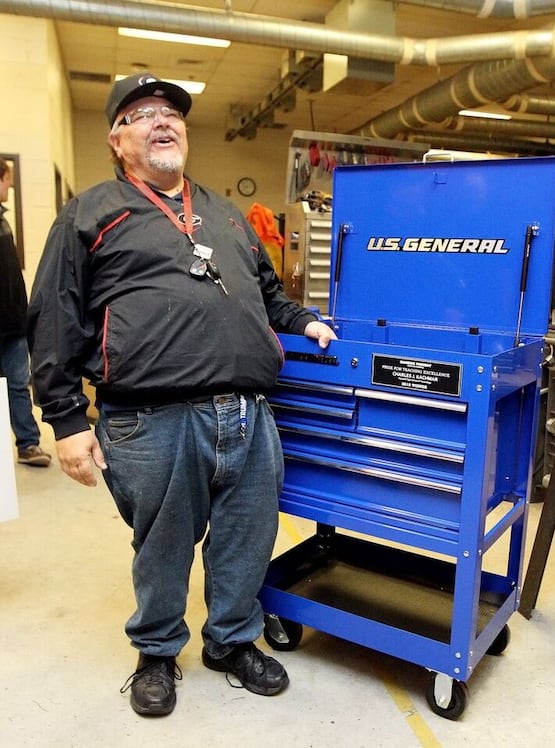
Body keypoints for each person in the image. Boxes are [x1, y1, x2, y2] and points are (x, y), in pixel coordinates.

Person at [27, 73, 336, 717]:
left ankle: (230, 641)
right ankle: (158, 651)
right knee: (163, 545)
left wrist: (302, 319)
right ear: (118, 140)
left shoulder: (224, 213)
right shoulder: (89, 212)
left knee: (248, 536)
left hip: (249, 413)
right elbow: (55, 320)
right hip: (152, 417)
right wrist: (65, 421)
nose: (162, 122)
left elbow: (267, 293)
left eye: (171, 114)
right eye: (142, 115)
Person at [0, 157, 51, 467]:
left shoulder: (3, 220)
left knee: (20, 385)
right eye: (7, 180)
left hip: (13, 324)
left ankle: (28, 445)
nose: (9, 187)